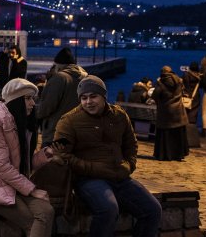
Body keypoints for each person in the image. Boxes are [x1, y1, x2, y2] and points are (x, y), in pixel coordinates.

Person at [54, 75, 162, 236]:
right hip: (88, 179)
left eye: (93, 96)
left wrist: (129, 165)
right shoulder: (69, 120)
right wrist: (92, 168)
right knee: (108, 209)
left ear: (103, 96)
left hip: (119, 176)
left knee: (153, 210)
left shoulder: (119, 115)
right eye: (84, 98)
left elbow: (131, 145)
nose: (88, 102)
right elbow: (62, 155)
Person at [0, 79, 54, 237]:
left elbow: (23, 164)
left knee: (47, 211)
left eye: (33, 99)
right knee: (32, 220)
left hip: (12, 183)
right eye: (27, 99)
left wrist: (46, 155)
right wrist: (32, 190)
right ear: (15, 101)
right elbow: (2, 168)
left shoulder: (21, 123)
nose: (32, 104)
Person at [35, 47, 87, 146]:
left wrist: (36, 115)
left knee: (51, 160)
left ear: (58, 65)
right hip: (78, 132)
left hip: (56, 131)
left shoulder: (59, 78)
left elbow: (47, 107)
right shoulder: (85, 77)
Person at [153, 66, 190, 161]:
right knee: (178, 135)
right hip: (178, 111)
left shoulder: (161, 83)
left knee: (165, 135)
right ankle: (178, 154)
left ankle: (165, 154)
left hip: (165, 112)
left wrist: (157, 83)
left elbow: (155, 95)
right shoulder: (179, 81)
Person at [181, 62, 202, 127]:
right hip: (195, 97)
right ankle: (192, 130)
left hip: (187, 97)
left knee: (185, 114)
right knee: (193, 115)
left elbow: (183, 84)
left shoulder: (186, 75)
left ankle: (185, 131)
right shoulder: (199, 77)